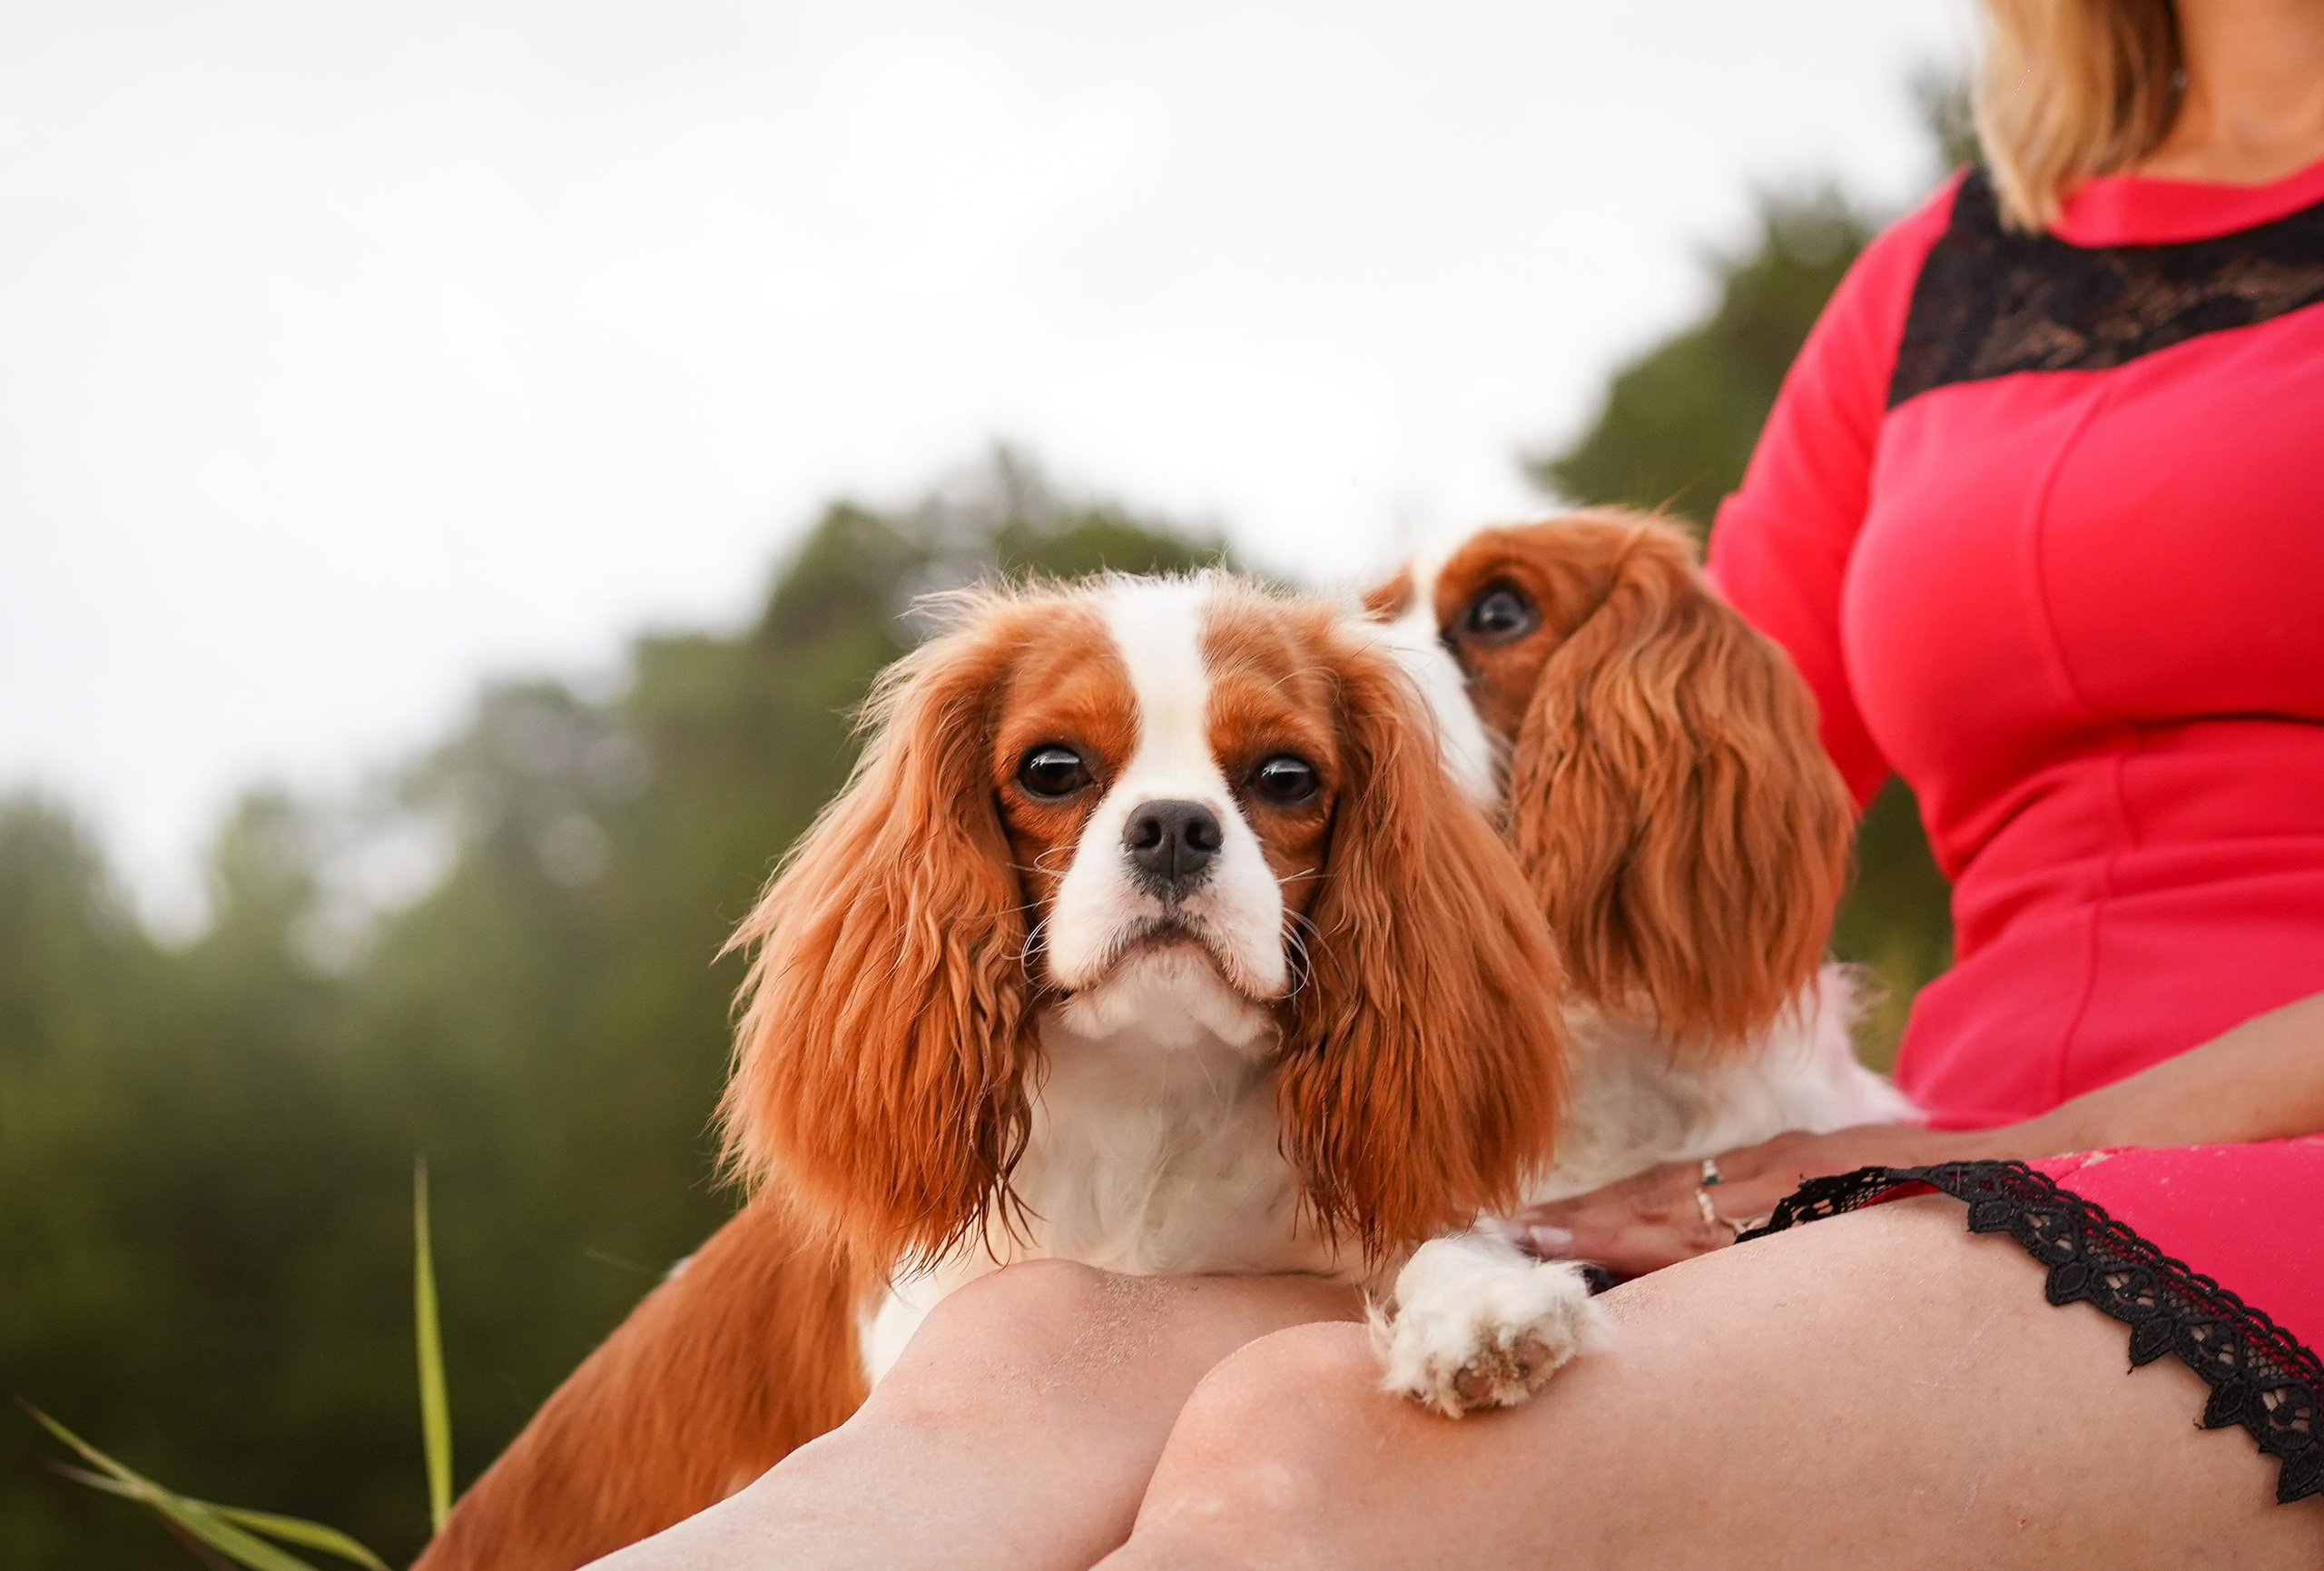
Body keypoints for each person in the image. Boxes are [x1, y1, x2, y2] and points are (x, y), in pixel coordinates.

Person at [597, 3, 2324, 1565]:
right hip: (1919, 1154)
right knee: (1026, 1352)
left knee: (1304, 1457)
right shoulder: (1939, 284)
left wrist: (1983, 1155)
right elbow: (1646, 803)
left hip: (2218, 1161)